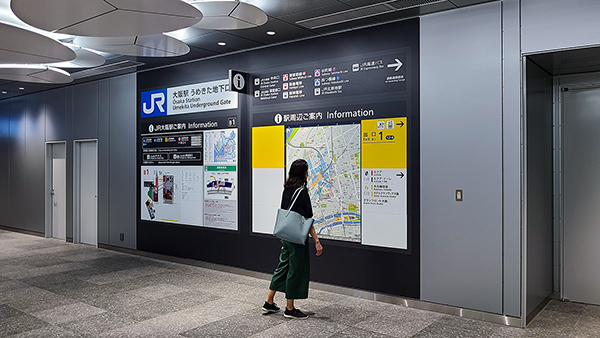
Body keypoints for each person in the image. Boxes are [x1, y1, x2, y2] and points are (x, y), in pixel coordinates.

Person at [262, 159, 323, 319]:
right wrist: (316, 241)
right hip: (297, 239)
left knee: (282, 267)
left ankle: (269, 301)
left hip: (286, 236)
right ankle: (290, 308)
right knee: (296, 270)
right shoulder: (302, 191)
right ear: (303, 173)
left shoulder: (287, 188)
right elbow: (308, 219)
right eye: (307, 170)